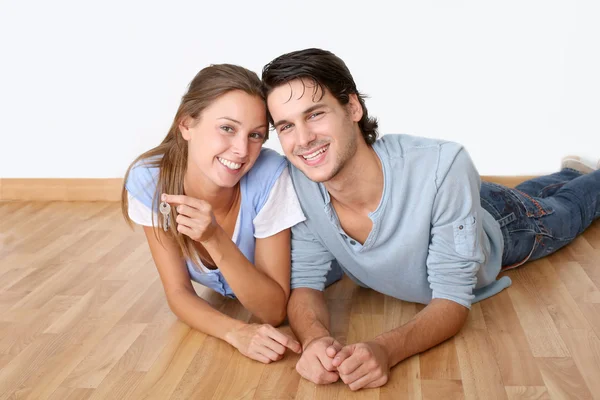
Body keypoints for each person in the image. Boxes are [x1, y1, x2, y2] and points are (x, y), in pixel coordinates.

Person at [261, 48, 600, 390]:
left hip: (503, 223)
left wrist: (385, 349)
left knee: (569, 210)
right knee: (528, 193)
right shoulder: (299, 182)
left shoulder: (444, 165)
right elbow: (304, 282)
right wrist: (315, 338)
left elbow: (452, 299)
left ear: (352, 107)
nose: (303, 140)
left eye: (315, 114)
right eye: (287, 126)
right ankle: (570, 171)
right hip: (456, 200)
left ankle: (585, 179)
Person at [121, 64, 306, 364]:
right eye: (227, 128)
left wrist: (214, 238)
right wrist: (235, 332)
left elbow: (273, 311)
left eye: (256, 135)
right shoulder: (149, 183)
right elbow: (178, 292)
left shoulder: (270, 175)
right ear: (186, 125)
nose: (241, 150)